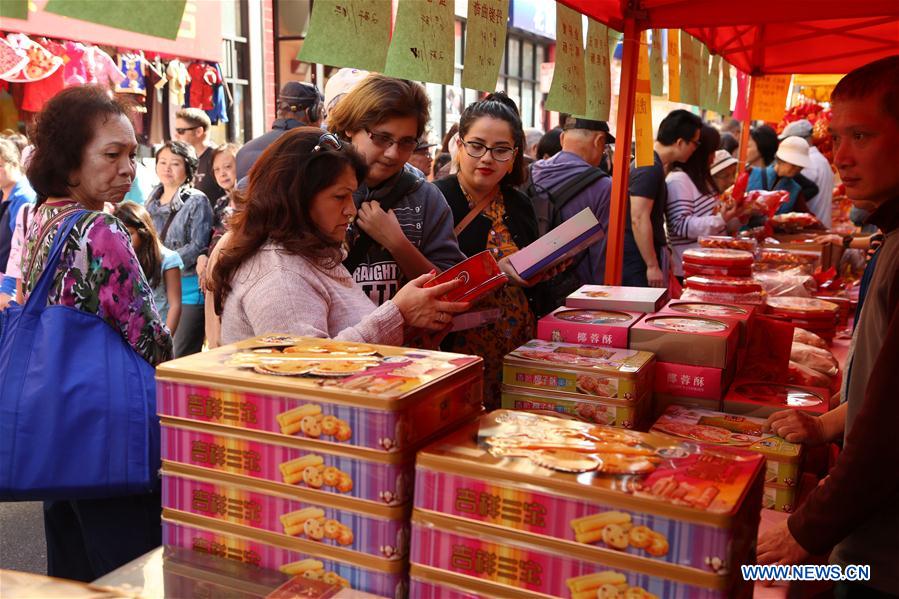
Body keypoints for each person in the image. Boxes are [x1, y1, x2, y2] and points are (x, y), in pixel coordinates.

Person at [758, 54, 899, 598]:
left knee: (754, 572)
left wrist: (805, 530)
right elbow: (880, 385)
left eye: (861, 135)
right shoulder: (892, 234)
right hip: (865, 543)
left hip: (881, 564)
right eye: (835, 138)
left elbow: (891, 427)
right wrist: (824, 426)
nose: (840, 158)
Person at [20, 85, 171, 582]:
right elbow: (151, 337)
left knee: (70, 573)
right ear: (69, 162)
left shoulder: (43, 218)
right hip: (109, 432)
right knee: (129, 571)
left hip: (57, 422)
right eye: (112, 154)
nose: (128, 168)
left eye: (131, 153)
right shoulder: (100, 231)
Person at [211, 128, 469, 345]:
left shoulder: (313, 253)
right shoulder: (279, 275)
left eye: (351, 195)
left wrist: (411, 329)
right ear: (296, 197)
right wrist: (397, 313)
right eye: (339, 196)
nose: (351, 209)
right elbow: (310, 370)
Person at [434, 93, 553, 407]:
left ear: (514, 156)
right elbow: (430, 275)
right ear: (459, 146)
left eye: (500, 150)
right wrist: (497, 271)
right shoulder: (435, 198)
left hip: (518, 346)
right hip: (456, 349)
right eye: (477, 146)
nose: (487, 158)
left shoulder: (520, 203)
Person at [327, 74, 465, 306]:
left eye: (406, 142)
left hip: (405, 341)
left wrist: (396, 242)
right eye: (381, 138)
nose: (393, 153)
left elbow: (449, 288)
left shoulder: (426, 197)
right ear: (351, 127)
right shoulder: (316, 188)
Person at [145, 140, 213, 357]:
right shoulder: (151, 199)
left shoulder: (196, 200)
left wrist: (161, 261)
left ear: (188, 168)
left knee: (179, 354)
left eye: (174, 163)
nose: (167, 168)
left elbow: (197, 246)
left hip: (188, 290)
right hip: (157, 290)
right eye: (162, 162)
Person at [623, 109, 702, 287]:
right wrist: (651, 265)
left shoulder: (652, 163)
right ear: (680, 142)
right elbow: (638, 217)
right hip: (637, 261)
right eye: (695, 143)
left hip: (640, 257)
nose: (695, 149)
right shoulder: (649, 166)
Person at [530, 117, 614, 285]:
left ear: (562, 139)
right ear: (599, 141)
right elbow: (602, 256)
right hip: (575, 293)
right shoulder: (604, 187)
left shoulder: (531, 171)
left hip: (530, 286)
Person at [666, 126, 742, 279]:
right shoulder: (679, 180)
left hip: (712, 266)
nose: (713, 158)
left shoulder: (701, 180)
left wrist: (738, 214)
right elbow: (681, 226)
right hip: (693, 271)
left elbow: (717, 223)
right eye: (711, 152)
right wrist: (721, 219)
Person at [113, 201, 183, 334]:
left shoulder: (168, 259)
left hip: (158, 334)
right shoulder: (120, 261)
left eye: (129, 234)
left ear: (143, 231)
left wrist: (165, 339)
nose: (124, 240)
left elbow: (175, 305)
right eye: (120, 235)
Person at [235, 82, 324, 180]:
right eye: (321, 112)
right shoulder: (314, 150)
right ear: (311, 113)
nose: (323, 119)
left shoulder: (244, 151)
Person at [197, 142, 240, 288]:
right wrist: (203, 256)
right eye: (217, 169)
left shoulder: (250, 202)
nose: (222, 173)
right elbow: (210, 235)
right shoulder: (221, 203)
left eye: (228, 167)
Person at [745, 136, 816, 221]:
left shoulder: (795, 190)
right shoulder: (750, 174)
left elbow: (807, 217)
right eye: (793, 164)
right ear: (780, 160)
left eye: (800, 166)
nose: (797, 169)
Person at [779, 119, 835, 227]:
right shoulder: (821, 160)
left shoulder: (808, 162)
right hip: (820, 225)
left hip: (811, 228)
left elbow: (797, 194)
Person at [0, 138, 36, 303]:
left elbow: (20, 254)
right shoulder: (3, 192)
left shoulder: (24, 198)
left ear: (14, 164)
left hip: (10, 288)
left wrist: (8, 291)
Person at [173, 108, 223, 203]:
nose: (176, 135)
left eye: (181, 131)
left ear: (199, 131)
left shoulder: (218, 157)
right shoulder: (183, 158)